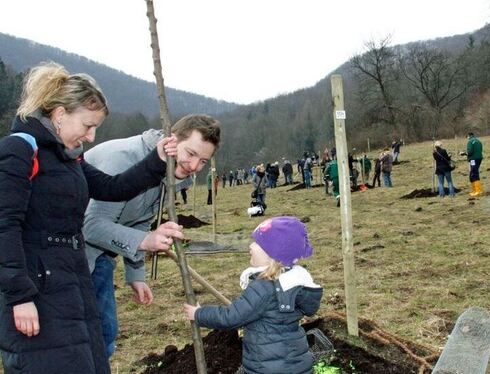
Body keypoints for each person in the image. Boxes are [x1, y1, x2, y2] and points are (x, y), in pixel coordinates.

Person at [0, 62, 176, 374]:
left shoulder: (70, 157)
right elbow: (4, 226)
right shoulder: (19, 150)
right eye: (87, 125)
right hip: (36, 289)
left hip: (74, 281)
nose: (91, 136)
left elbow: (113, 187)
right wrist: (19, 297)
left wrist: (157, 159)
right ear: (59, 114)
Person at [83, 114, 220, 358]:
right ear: (172, 139)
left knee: (103, 335)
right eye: (190, 153)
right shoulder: (125, 160)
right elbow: (91, 226)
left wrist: (135, 274)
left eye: (203, 161)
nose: (193, 166)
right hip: (64, 257)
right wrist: (146, 241)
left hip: (100, 256)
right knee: (82, 341)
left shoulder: (168, 171)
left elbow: (141, 218)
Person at [183, 216, 322, 374]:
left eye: (257, 243)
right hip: (296, 362)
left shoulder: (264, 288)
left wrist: (199, 314)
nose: (251, 245)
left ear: (272, 254)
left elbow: (231, 317)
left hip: (267, 366)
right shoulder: (294, 282)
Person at [466, 132, 483, 196]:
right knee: (475, 172)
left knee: (473, 173)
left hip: (473, 159)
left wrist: (465, 153)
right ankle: (476, 190)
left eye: (467, 136)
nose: (467, 138)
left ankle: (477, 191)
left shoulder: (470, 142)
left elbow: (470, 151)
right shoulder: (478, 141)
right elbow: (481, 149)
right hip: (479, 158)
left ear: (469, 136)